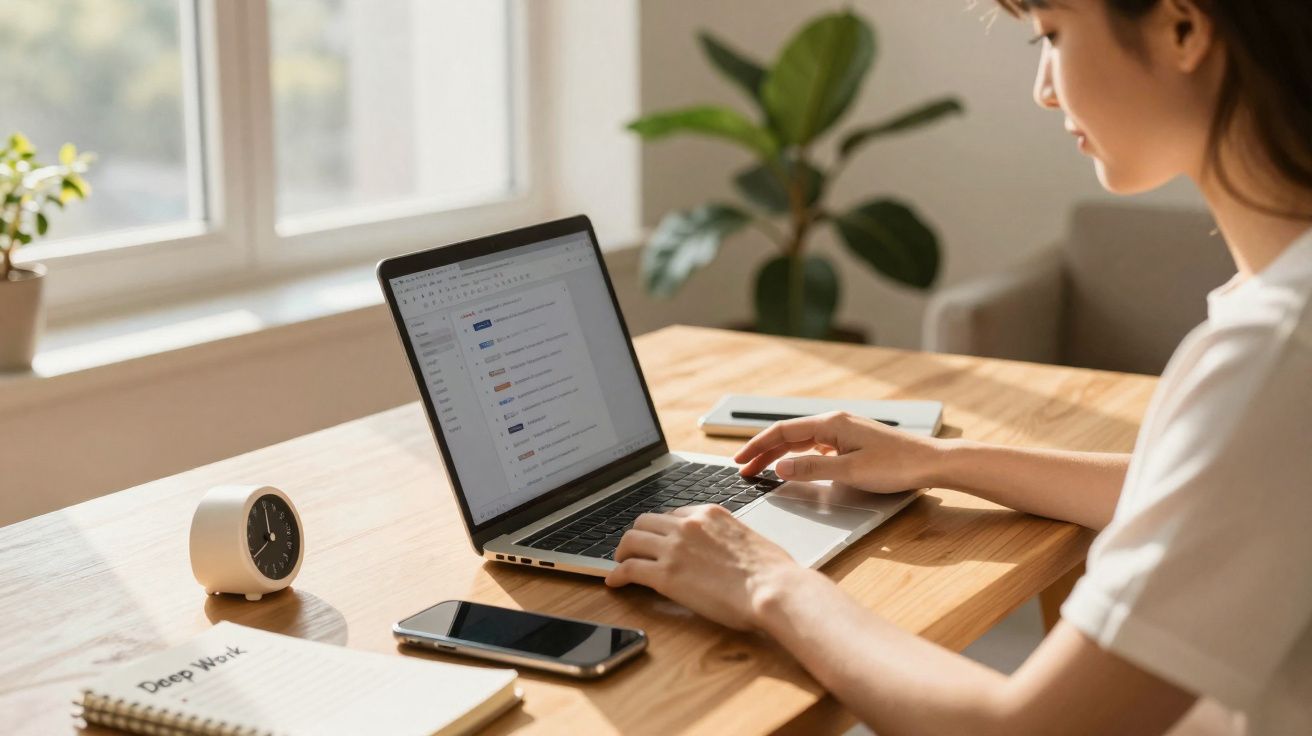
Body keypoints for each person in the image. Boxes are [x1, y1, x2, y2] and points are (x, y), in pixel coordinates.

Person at [606, 1, 1312, 733]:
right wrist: (939, 461)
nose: (1044, 89)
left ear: (1183, 29)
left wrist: (767, 582)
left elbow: (1024, 729)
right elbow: (1212, 489)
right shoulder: (1284, 318)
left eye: (1053, 35)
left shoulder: (1278, 352)